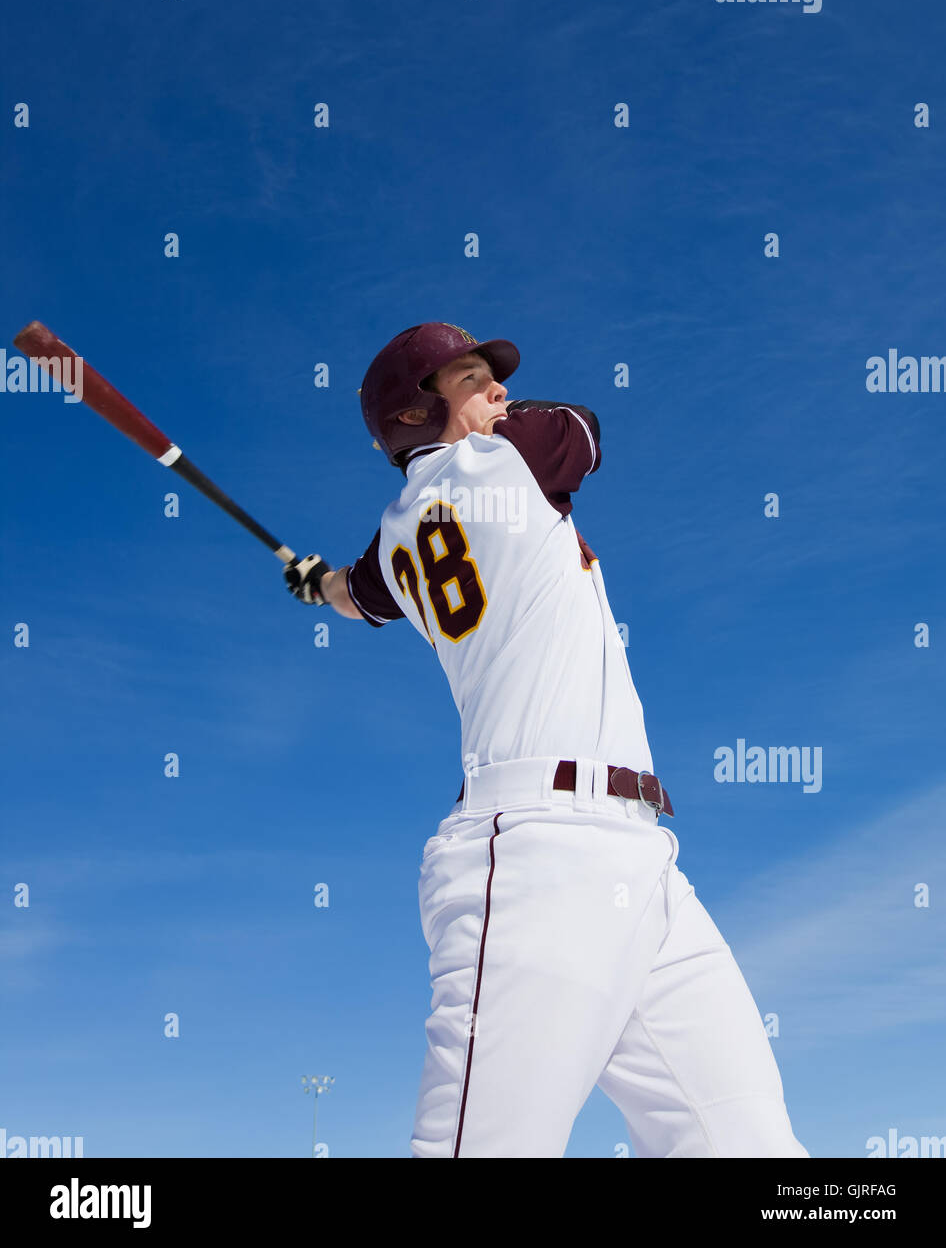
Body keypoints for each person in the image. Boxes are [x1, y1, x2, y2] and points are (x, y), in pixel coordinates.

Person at [284, 321, 810, 1160]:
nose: (499, 389)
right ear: (415, 415)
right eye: (469, 377)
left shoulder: (395, 535)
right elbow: (587, 427)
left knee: (747, 1144)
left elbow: (364, 594)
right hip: (535, 851)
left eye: (497, 378)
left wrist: (321, 585)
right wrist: (337, 579)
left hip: (643, 867)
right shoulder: (509, 455)